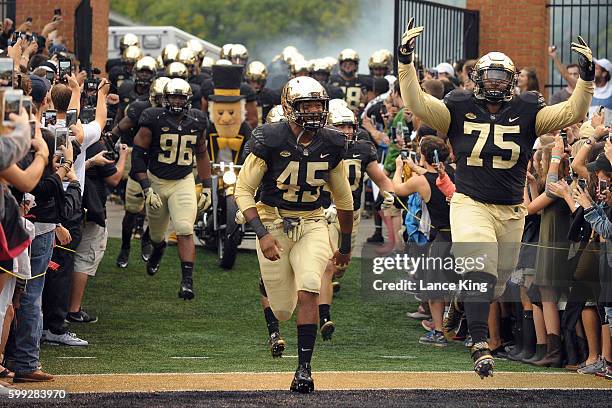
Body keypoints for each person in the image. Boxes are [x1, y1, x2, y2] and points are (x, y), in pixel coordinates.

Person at [397, 17, 594, 377]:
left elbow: (573, 112)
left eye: (501, 78)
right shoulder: (456, 105)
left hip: (512, 209)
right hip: (470, 201)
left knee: (497, 282)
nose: (494, 83)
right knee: (479, 268)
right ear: (477, 80)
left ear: (511, 81)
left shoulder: (528, 109)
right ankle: (478, 343)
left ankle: (460, 302)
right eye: (488, 77)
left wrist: (585, 79)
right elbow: (417, 102)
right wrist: (406, 63)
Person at [234, 76, 354, 393]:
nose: (315, 111)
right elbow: (243, 190)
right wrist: (260, 233)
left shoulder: (331, 142)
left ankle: (304, 369)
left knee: (310, 287)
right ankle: (277, 320)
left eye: (319, 105)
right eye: (308, 105)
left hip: (313, 220)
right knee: (283, 309)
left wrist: (345, 244)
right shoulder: (270, 138)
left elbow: (344, 200)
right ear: (290, 108)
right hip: (274, 219)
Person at [319, 103, 396, 341]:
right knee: (327, 266)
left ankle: (327, 284)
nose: (346, 131)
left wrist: (389, 193)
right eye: (339, 125)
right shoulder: (318, 147)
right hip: (323, 213)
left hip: (350, 213)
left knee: (340, 266)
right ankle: (323, 316)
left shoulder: (362, 149)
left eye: (348, 126)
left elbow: (380, 177)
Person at [131, 78, 212, 299]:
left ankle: (187, 282)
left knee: (185, 228)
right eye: (173, 97)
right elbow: (138, 154)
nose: (177, 101)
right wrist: (146, 188)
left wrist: (207, 187)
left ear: (188, 99)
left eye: (181, 97)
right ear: (165, 99)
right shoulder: (153, 118)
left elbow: (203, 154)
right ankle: (158, 247)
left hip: (183, 180)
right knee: (157, 235)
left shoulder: (197, 120)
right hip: (156, 180)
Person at [114, 77, 170, 268]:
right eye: (161, 97)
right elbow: (121, 126)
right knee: (131, 210)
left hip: (162, 170)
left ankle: (146, 238)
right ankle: (125, 247)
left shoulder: (177, 116)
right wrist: (107, 137)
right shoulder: (140, 109)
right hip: (139, 166)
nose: (164, 102)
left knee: (158, 210)